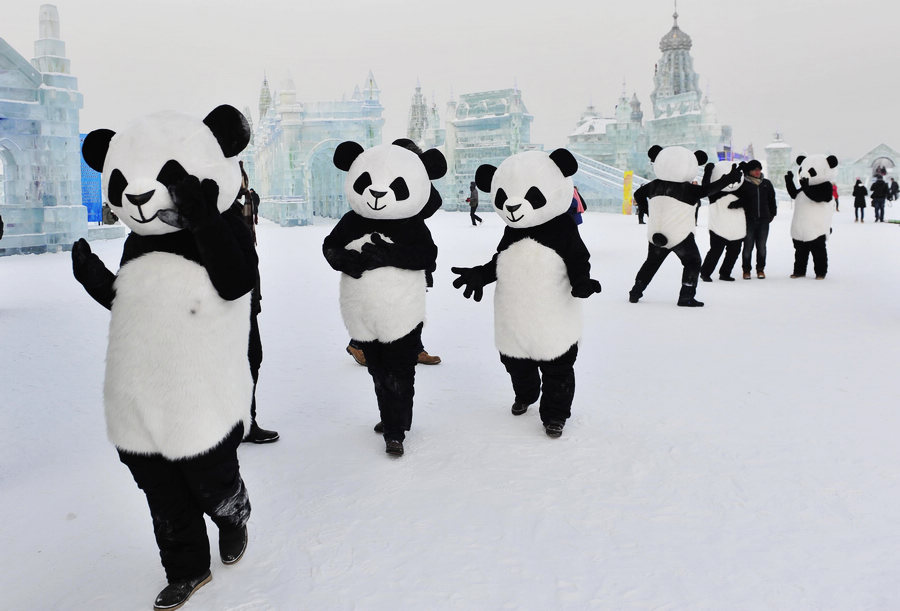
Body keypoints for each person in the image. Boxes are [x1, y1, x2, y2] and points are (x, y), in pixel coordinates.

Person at [733, 159, 777, 279]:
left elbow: (772, 200)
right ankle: (746, 270)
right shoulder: (743, 184)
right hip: (748, 221)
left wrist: (772, 214)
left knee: (762, 246)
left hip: (764, 220)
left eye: (759, 169)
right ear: (749, 171)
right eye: (754, 169)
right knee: (748, 246)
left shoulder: (766, 183)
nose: (758, 172)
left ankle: (760, 270)